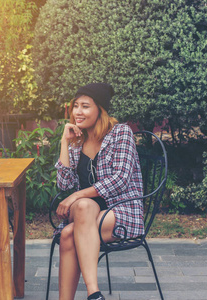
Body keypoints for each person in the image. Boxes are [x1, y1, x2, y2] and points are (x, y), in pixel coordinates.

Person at [54, 83, 144, 300]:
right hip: (86, 212)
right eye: (76, 106)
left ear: (100, 110)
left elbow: (120, 179)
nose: (78, 112)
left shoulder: (120, 133)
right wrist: (64, 143)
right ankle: (94, 294)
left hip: (121, 211)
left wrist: (76, 195)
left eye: (85, 106)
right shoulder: (77, 140)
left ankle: (90, 294)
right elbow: (64, 185)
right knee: (85, 206)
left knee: (67, 234)